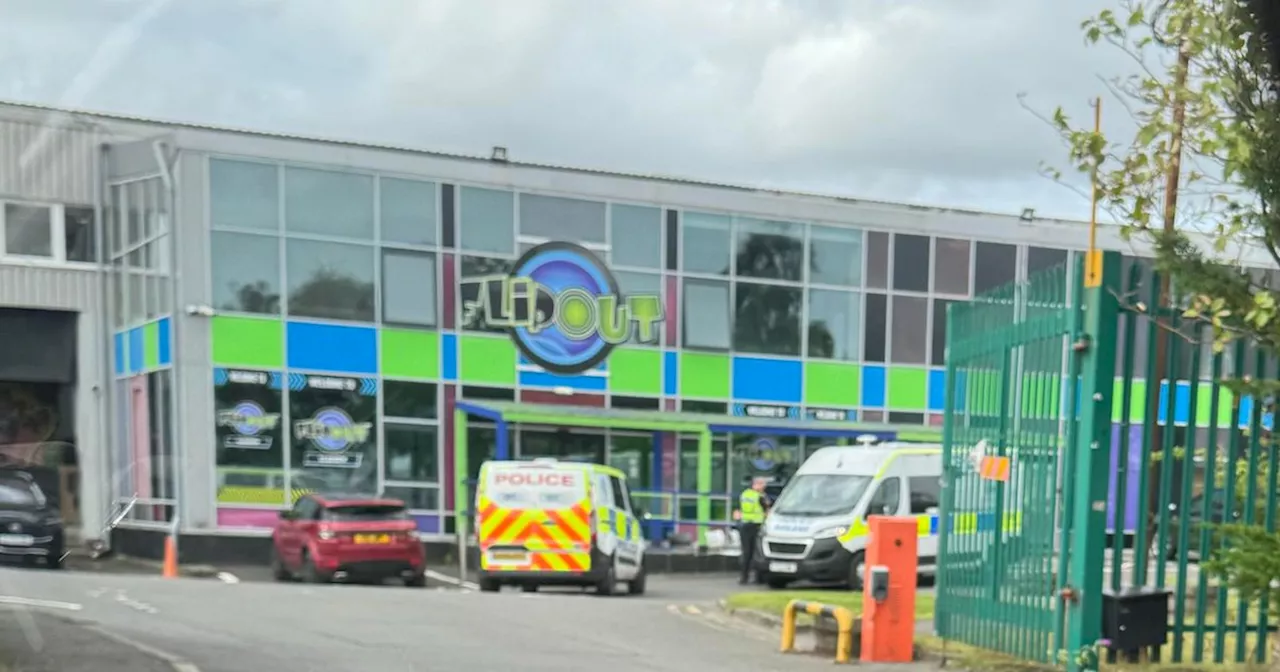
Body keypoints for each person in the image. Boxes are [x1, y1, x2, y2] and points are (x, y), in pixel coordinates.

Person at [733, 476, 770, 585]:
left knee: (746, 552)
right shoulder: (760, 496)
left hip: (744, 525)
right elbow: (767, 510)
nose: (764, 486)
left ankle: (744, 577)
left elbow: (737, 510)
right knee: (757, 552)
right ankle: (759, 578)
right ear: (756, 484)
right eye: (762, 484)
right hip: (756, 526)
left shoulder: (744, 494)